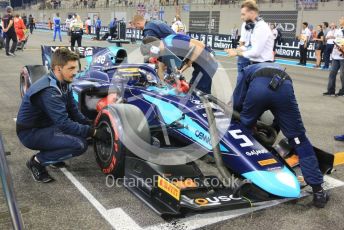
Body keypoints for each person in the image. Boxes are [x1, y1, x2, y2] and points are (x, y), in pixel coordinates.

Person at [232, 61, 329, 208]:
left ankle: (240, 175)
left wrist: (247, 122)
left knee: (240, 131)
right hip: (283, 87)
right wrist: (274, 128)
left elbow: (237, 103)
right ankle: (318, 191)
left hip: (258, 91)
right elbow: (282, 114)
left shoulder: (246, 70)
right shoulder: (279, 69)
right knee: (299, 140)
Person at [16, 48, 107, 183]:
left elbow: (73, 111)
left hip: (46, 126)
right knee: (80, 145)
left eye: (76, 68)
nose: (75, 72)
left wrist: (90, 124)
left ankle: (54, 154)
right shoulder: (49, 90)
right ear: (58, 69)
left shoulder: (65, 83)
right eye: (71, 68)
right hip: (30, 133)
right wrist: (92, 131)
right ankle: (37, 162)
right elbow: (64, 124)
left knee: (82, 133)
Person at [141, 34, 218, 94]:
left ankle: (206, 110)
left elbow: (199, 46)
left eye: (150, 53)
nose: (151, 57)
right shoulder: (162, 52)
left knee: (197, 91)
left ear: (153, 48)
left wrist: (189, 62)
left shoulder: (172, 41)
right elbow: (161, 69)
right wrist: (162, 85)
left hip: (207, 60)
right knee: (194, 89)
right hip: (198, 64)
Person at [323, 17, 344, 96]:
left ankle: (343, 90)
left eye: (342, 19)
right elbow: (337, 39)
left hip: (342, 56)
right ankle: (331, 90)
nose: (340, 20)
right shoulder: (338, 30)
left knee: (342, 75)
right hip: (335, 55)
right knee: (332, 73)